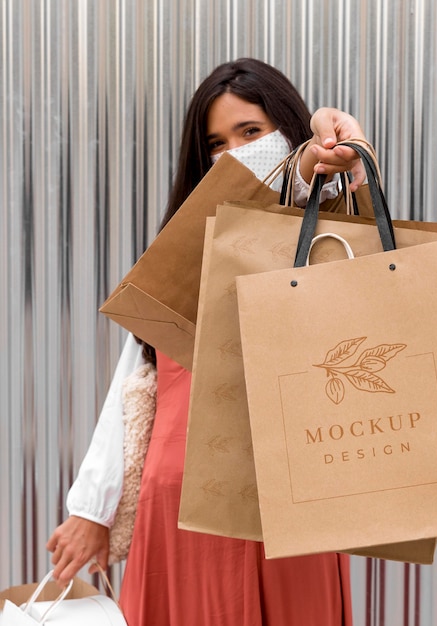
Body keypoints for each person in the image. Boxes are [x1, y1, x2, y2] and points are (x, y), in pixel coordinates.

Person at [47, 58, 369, 625]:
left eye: (251, 133)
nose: (235, 155)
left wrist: (320, 162)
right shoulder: (188, 247)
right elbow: (137, 378)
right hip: (182, 501)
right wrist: (91, 508)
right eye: (216, 144)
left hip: (293, 496)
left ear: (290, 133)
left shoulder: (323, 228)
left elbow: (350, 266)